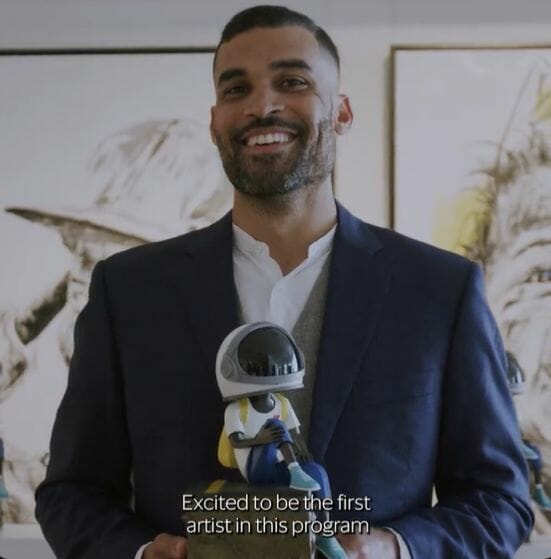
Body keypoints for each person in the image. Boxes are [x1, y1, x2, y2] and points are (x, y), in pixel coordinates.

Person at [35, 6, 533, 559]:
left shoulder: (441, 291)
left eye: (292, 82)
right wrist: (144, 553)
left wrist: (395, 548)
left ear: (341, 111)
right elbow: (71, 493)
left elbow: (499, 500)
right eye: (236, 89)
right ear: (215, 120)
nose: (262, 105)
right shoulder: (127, 292)